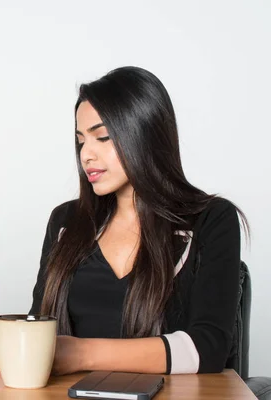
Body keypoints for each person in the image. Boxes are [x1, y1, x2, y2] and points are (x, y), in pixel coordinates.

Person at [30, 66, 247, 375]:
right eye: (81, 141)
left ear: (145, 134)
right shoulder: (66, 222)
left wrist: (82, 354)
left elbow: (209, 347)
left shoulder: (212, 219)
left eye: (102, 137)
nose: (86, 155)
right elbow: (35, 330)